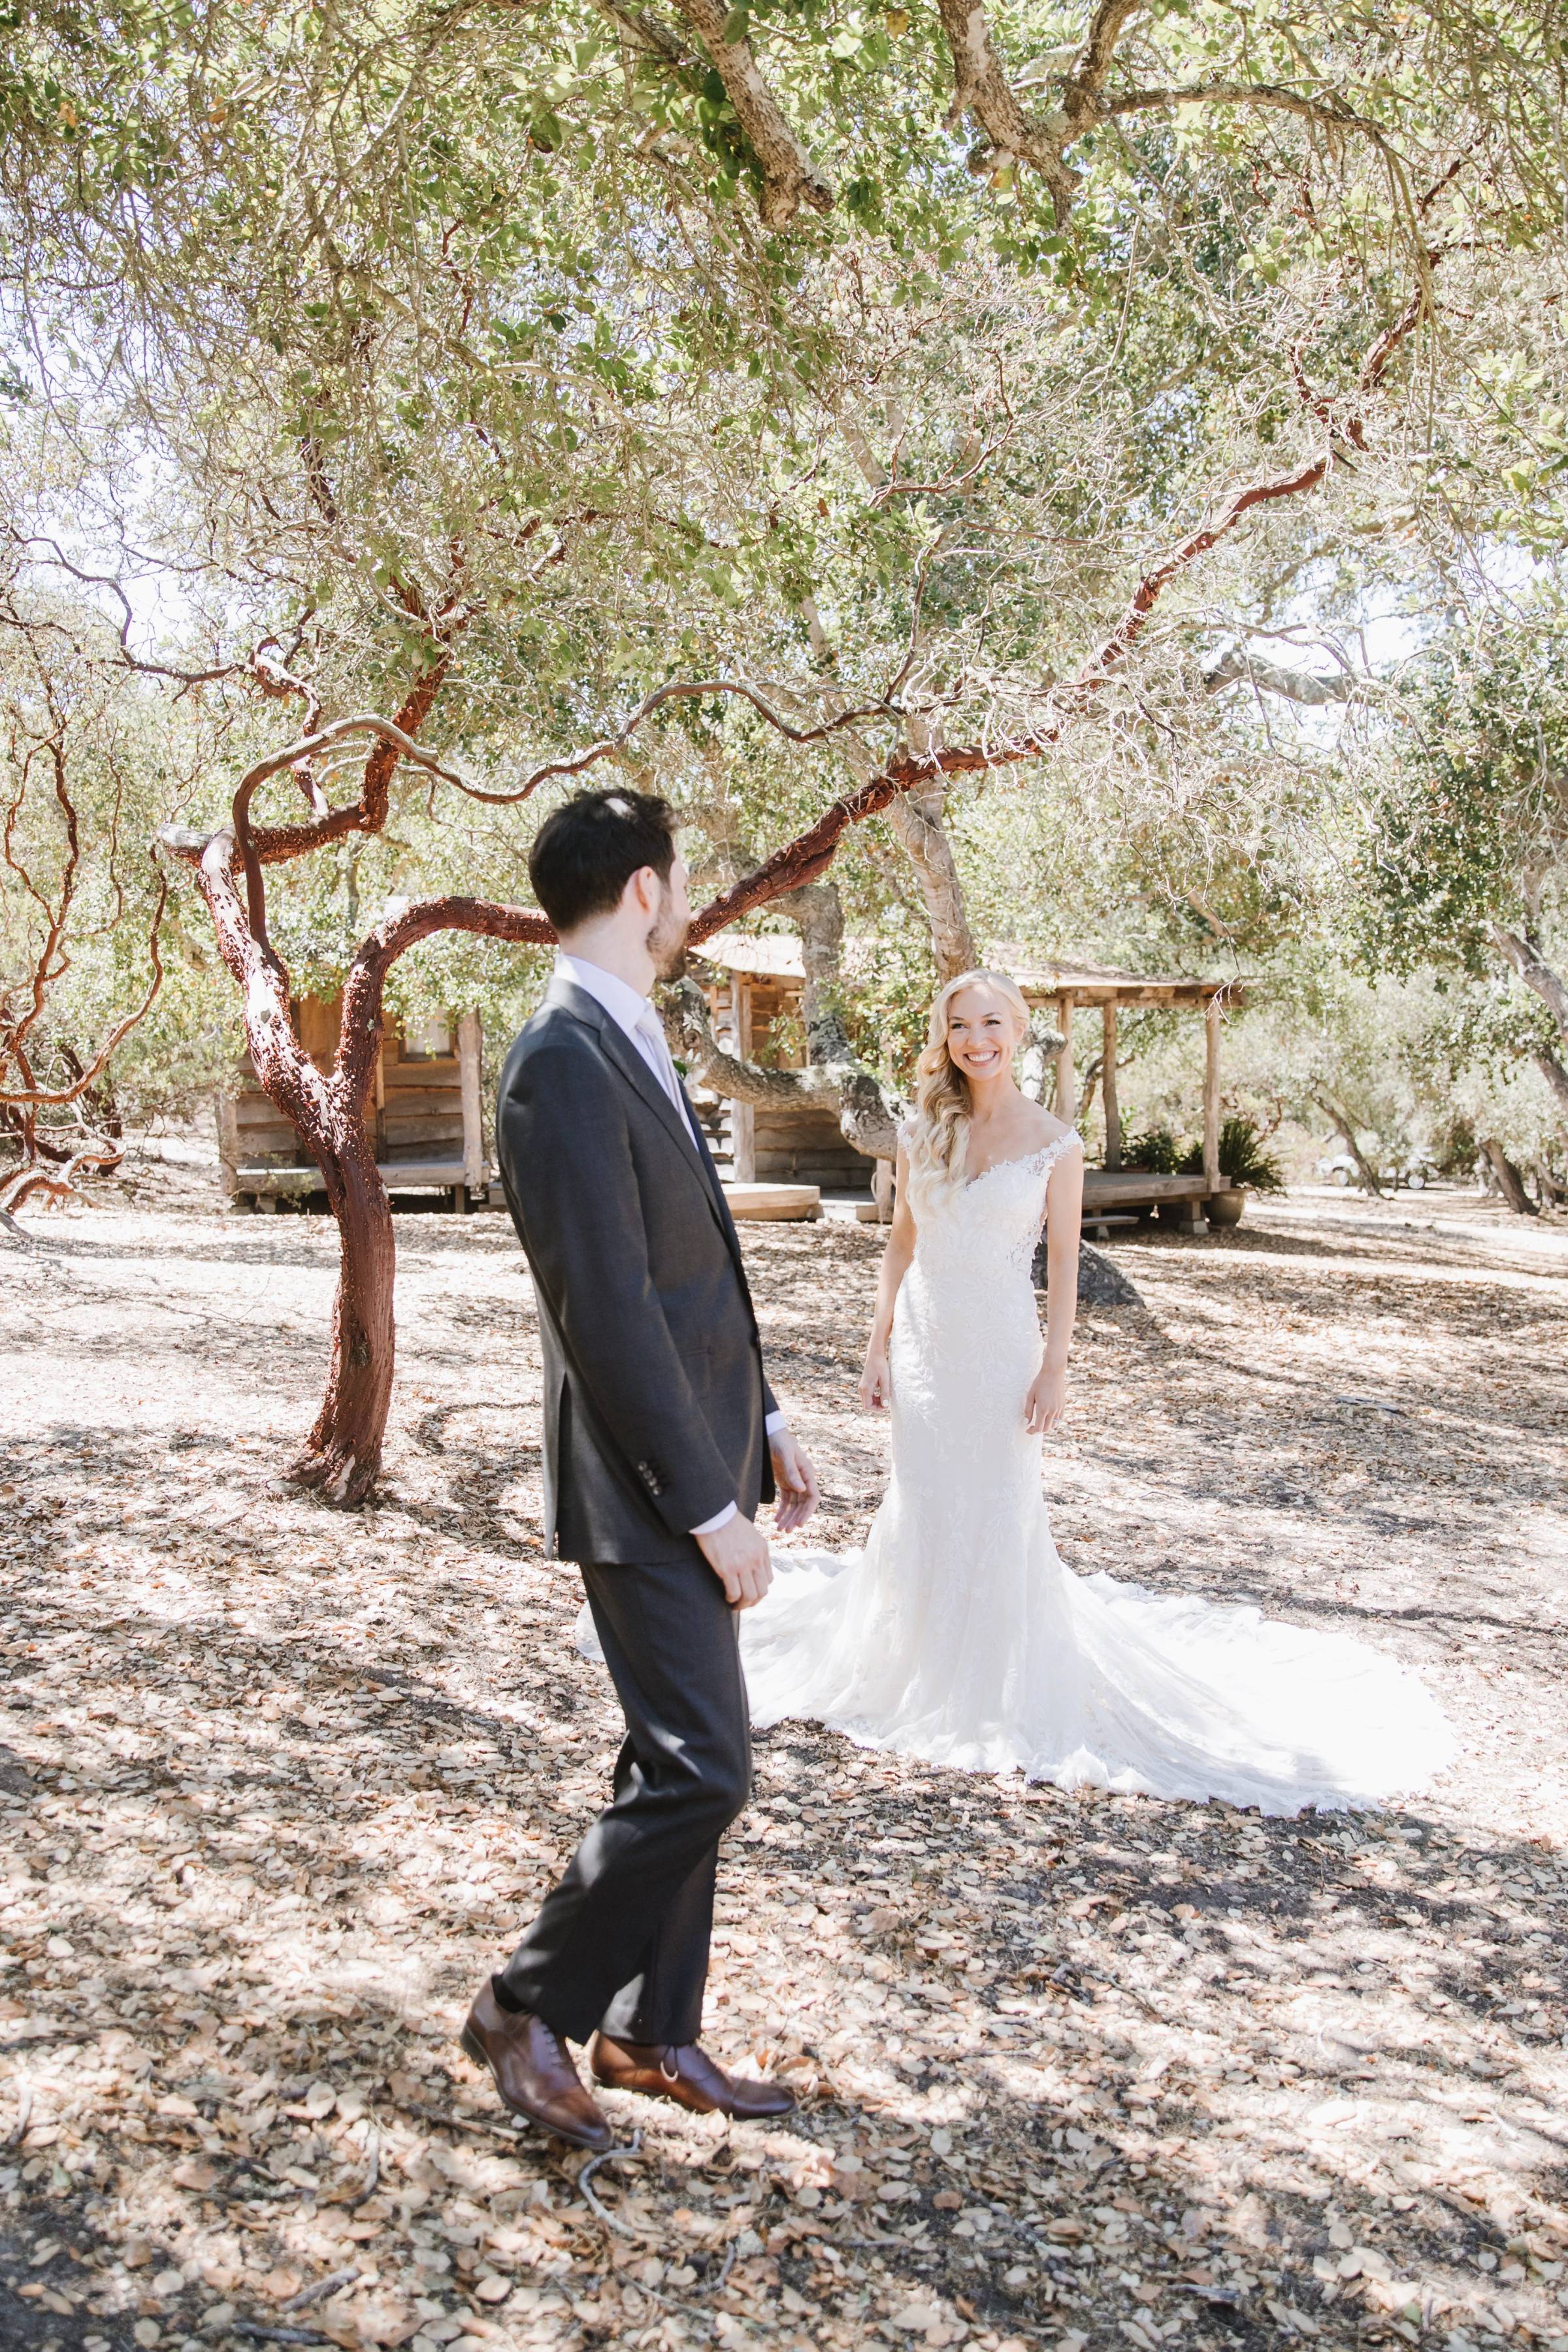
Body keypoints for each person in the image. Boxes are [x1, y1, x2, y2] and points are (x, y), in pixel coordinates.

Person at [734, 969, 1454, 1812]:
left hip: (1002, 1353)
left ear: (1018, 1029)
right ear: (946, 1038)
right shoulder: (925, 1126)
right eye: (961, 1025)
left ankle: (990, 1682)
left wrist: (1055, 1366)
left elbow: (1067, 1268)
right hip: (927, 1349)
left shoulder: (1056, 1146)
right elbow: (900, 1244)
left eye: (993, 1022)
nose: (977, 1039)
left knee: (998, 1503)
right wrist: (877, 1344)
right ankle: (915, 1659)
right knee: (926, 1499)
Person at [463, 789, 821, 2153]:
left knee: (669, 1755)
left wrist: (768, 1417)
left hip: (704, 1449)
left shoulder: (630, 1033)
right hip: (641, 1481)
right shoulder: (558, 1054)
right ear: (648, 892)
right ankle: (524, 2001)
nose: (685, 898)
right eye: (682, 883)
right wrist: (710, 1504)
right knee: (701, 1770)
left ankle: (652, 2030)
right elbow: (603, 1311)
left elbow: (688, 1271)